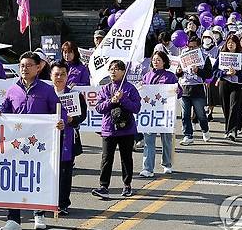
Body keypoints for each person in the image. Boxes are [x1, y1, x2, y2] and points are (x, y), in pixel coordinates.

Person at [0, 51, 66, 230]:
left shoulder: (46, 90)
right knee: (15, 179)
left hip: (39, 144)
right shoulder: (12, 89)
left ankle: (39, 213)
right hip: (17, 145)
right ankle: (13, 219)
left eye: (28, 65)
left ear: (38, 67)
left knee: (38, 176)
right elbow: (4, 110)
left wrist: (61, 122)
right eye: (22, 65)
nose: (24, 69)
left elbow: (59, 112)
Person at [91, 60, 141, 200]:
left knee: (126, 158)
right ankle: (104, 186)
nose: (113, 71)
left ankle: (127, 185)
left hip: (127, 129)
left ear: (124, 71)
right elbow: (99, 107)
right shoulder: (105, 88)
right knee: (106, 158)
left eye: (117, 69)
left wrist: (123, 99)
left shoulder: (130, 88)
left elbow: (136, 108)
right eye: (111, 69)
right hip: (109, 129)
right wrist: (111, 101)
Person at [49, 61, 87, 215]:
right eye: (56, 74)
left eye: (63, 74)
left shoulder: (75, 94)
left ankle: (63, 203)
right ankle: (48, 202)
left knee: (65, 172)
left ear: (67, 75)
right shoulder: (45, 93)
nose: (59, 77)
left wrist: (73, 120)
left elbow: (82, 115)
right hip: (47, 139)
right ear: (50, 75)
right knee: (49, 172)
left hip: (68, 139)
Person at [140, 51, 182, 176]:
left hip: (165, 112)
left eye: (158, 60)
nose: (156, 62)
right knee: (148, 140)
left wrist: (176, 89)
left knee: (167, 139)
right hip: (150, 113)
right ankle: (148, 168)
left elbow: (179, 92)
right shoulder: (147, 76)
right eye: (154, 60)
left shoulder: (170, 76)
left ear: (164, 62)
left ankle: (167, 164)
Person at [176, 36, 213, 145]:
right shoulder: (183, 56)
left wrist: (198, 71)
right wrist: (178, 72)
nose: (191, 49)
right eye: (189, 46)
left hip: (198, 88)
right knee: (185, 114)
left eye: (194, 47)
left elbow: (209, 74)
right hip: (184, 88)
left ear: (199, 46)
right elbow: (178, 72)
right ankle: (188, 135)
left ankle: (205, 130)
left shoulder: (205, 57)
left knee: (200, 114)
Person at [213, 35, 242, 141]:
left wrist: (236, 73)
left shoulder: (241, 57)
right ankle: (228, 129)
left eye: (233, 42)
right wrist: (225, 73)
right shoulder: (222, 56)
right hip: (224, 83)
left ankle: (231, 131)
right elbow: (215, 71)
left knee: (234, 107)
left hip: (236, 84)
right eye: (229, 42)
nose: (231, 44)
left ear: (237, 44)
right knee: (226, 107)